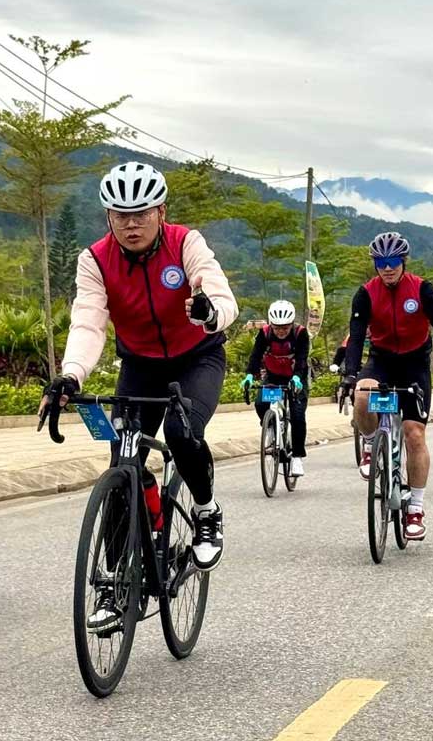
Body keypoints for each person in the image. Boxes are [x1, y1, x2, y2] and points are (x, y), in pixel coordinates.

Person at [41, 161, 239, 601]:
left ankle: (206, 511)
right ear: (108, 216)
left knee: (182, 433)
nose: (131, 224)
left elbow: (221, 295)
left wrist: (209, 312)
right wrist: (71, 375)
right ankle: (115, 587)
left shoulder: (186, 243)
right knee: (121, 465)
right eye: (120, 215)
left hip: (197, 358)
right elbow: (89, 322)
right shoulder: (94, 259)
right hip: (141, 365)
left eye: (142, 213)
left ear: (161, 212)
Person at [342, 231, 433, 542]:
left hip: (414, 363)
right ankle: (371, 444)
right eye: (381, 262)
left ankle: (416, 508)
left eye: (393, 261)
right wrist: (349, 375)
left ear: (403, 261)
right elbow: (356, 338)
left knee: (415, 434)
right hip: (382, 360)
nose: (387, 268)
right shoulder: (365, 294)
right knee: (361, 395)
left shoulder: (422, 288)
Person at [243, 300, 310, 476]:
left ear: (292, 324)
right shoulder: (264, 333)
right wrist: (250, 375)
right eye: (277, 327)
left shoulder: (300, 333)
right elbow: (256, 356)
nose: (281, 331)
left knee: (297, 415)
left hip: (296, 376)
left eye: (285, 328)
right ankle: (271, 426)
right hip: (273, 375)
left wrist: (297, 377)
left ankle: (297, 457)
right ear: (271, 325)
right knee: (260, 403)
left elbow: (302, 358)